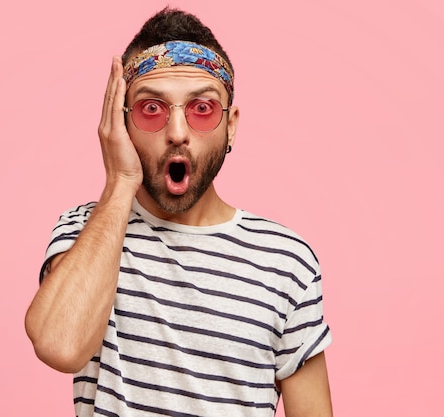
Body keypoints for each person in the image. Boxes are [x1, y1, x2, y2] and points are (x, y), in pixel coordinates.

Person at [25, 7, 333, 417]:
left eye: (201, 109)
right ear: (121, 124)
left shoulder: (286, 260)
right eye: (151, 109)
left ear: (231, 125)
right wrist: (120, 182)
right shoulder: (86, 231)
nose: (177, 133)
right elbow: (59, 345)